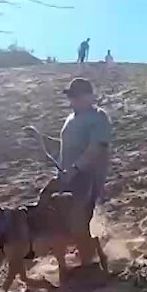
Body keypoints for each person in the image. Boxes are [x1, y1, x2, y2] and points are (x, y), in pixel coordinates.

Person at [41, 78, 111, 268]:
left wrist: (76, 168)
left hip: (87, 177)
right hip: (67, 175)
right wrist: (40, 138)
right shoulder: (72, 118)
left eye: (76, 96)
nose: (72, 100)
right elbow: (65, 146)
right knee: (45, 200)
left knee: (78, 215)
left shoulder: (98, 117)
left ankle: (90, 260)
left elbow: (96, 147)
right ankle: (65, 248)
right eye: (71, 96)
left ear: (89, 96)